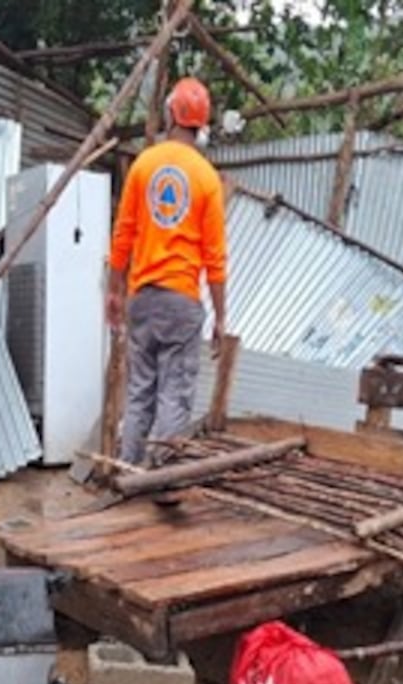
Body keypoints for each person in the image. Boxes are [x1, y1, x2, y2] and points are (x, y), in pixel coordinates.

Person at [106, 76, 227, 466]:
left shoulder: (144, 165)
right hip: (181, 303)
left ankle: (126, 469)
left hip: (143, 298)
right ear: (202, 123)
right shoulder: (207, 178)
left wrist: (114, 290)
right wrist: (221, 317)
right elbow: (215, 257)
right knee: (175, 391)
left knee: (140, 389)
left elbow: (123, 233)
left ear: (172, 114)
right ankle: (160, 482)